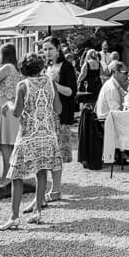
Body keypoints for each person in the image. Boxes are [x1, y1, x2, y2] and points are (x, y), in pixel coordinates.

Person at [0, 53, 62, 229]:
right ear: (41, 66)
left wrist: (9, 105)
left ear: (23, 68)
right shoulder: (50, 83)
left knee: (17, 175)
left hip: (28, 135)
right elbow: (58, 109)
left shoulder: (23, 85)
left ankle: (14, 217)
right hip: (48, 135)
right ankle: (37, 212)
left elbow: (17, 112)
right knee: (41, 173)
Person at [43, 36, 76, 202]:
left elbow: (71, 91)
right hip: (47, 114)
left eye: (49, 49)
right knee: (49, 153)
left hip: (60, 114)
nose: (47, 52)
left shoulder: (67, 66)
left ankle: (55, 189)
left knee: (57, 154)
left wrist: (52, 84)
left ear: (58, 49)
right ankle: (52, 187)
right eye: (44, 49)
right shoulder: (47, 67)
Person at [0, 44, 23, 188]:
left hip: (4, 108)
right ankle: (11, 175)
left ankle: (7, 177)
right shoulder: (15, 68)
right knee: (8, 144)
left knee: (6, 144)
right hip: (9, 107)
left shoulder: (6, 68)